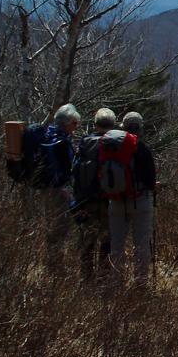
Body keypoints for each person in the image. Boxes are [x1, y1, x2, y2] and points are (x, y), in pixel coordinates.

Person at [107, 111, 156, 285]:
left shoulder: (111, 147)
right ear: (140, 128)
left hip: (115, 200)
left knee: (117, 244)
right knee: (141, 243)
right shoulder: (142, 148)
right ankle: (141, 281)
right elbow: (150, 180)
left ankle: (116, 280)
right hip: (140, 200)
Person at [72, 108, 119, 281]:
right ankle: (104, 275)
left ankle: (86, 276)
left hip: (87, 198)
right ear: (113, 124)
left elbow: (75, 172)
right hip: (109, 199)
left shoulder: (86, 142)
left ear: (95, 124)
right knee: (107, 239)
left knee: (87, 239)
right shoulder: (115, 142)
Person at [40, 103, 80, 271]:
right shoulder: (61, 142)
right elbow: (68, 170)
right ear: (68, 122)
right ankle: (55, 266)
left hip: (45, 188)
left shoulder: (47, 136)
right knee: (60, 226)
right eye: (75, 123)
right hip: (59, 190)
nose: (76, 127)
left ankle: (52, 262)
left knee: (52, 225)